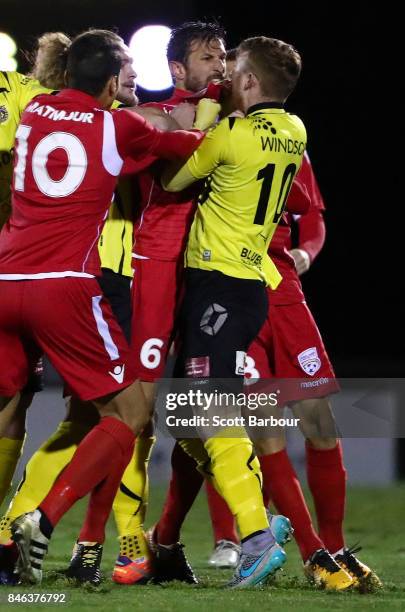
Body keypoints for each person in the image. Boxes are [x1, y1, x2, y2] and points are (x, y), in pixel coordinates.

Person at [0, 29, 203, 585]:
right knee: (130, 413)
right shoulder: (119, 125)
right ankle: (44, 518)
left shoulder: (35, 110)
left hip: (5, 276)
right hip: (62, 287)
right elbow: (192, 149)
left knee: (6, 409)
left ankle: (2, 536)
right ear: (114, 81)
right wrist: (202, 119)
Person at [161, 35, 306, 588]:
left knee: (207, 409)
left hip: (219, 285)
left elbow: (175, 178)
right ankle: (256, 517)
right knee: (186, 420)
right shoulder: (296, 131)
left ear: (247, 82)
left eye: (233, 68)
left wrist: (196, 116)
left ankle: (253, 537)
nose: (224, 75)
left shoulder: (230, 134)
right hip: (246, 288)